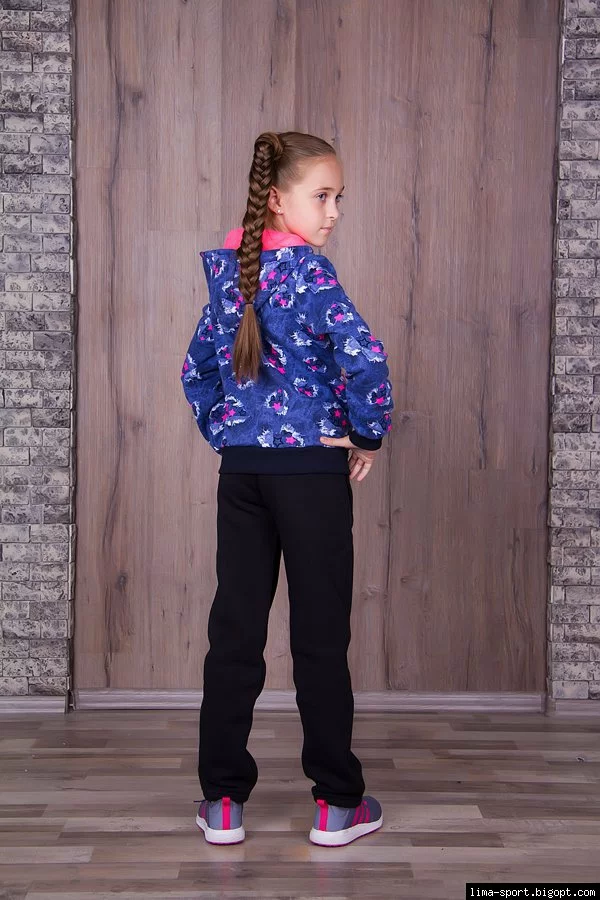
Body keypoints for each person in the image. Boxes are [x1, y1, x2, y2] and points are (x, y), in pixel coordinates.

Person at [181, 130, 393, 847]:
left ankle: (222, 802)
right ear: (277, 199)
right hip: (310, 478)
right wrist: (365, 434)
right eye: (322, 196)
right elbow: (364, 357)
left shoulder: (230, 275)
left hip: (243, 475)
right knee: (319, 637)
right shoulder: (312, 275)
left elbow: (197, 370)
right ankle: (337, 804)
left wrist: (231, 433)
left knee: (235, 633)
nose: (334, 212)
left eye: (339, 198)